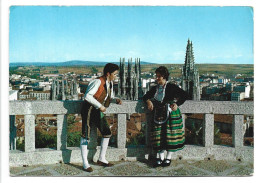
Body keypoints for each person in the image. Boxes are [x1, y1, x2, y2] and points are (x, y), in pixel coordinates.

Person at [143, 66, 188, 167]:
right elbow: (145, 96)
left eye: (158, 76)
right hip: (158, 113)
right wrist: (148, 101)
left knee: (170, 135)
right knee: (159, 135)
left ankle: (168, 158)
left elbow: (184, 95)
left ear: (163, 77)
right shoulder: (155, 88)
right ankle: (160, 157)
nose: (156, 78)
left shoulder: (171, 87)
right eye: (156, 76)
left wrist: (177, 104)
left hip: (170, 113)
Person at [80, 63, 122, 172]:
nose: (116, 76)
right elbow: (88, 96)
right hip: (89, 109)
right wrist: (100, 106)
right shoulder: (98, 81)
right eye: (115, 74)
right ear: (108, 74)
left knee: (107, 132)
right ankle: (85, 163)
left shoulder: (110, 83)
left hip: (98, 110)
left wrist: (115, 100)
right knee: (86, 134)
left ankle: (101, 158)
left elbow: (109, 97)